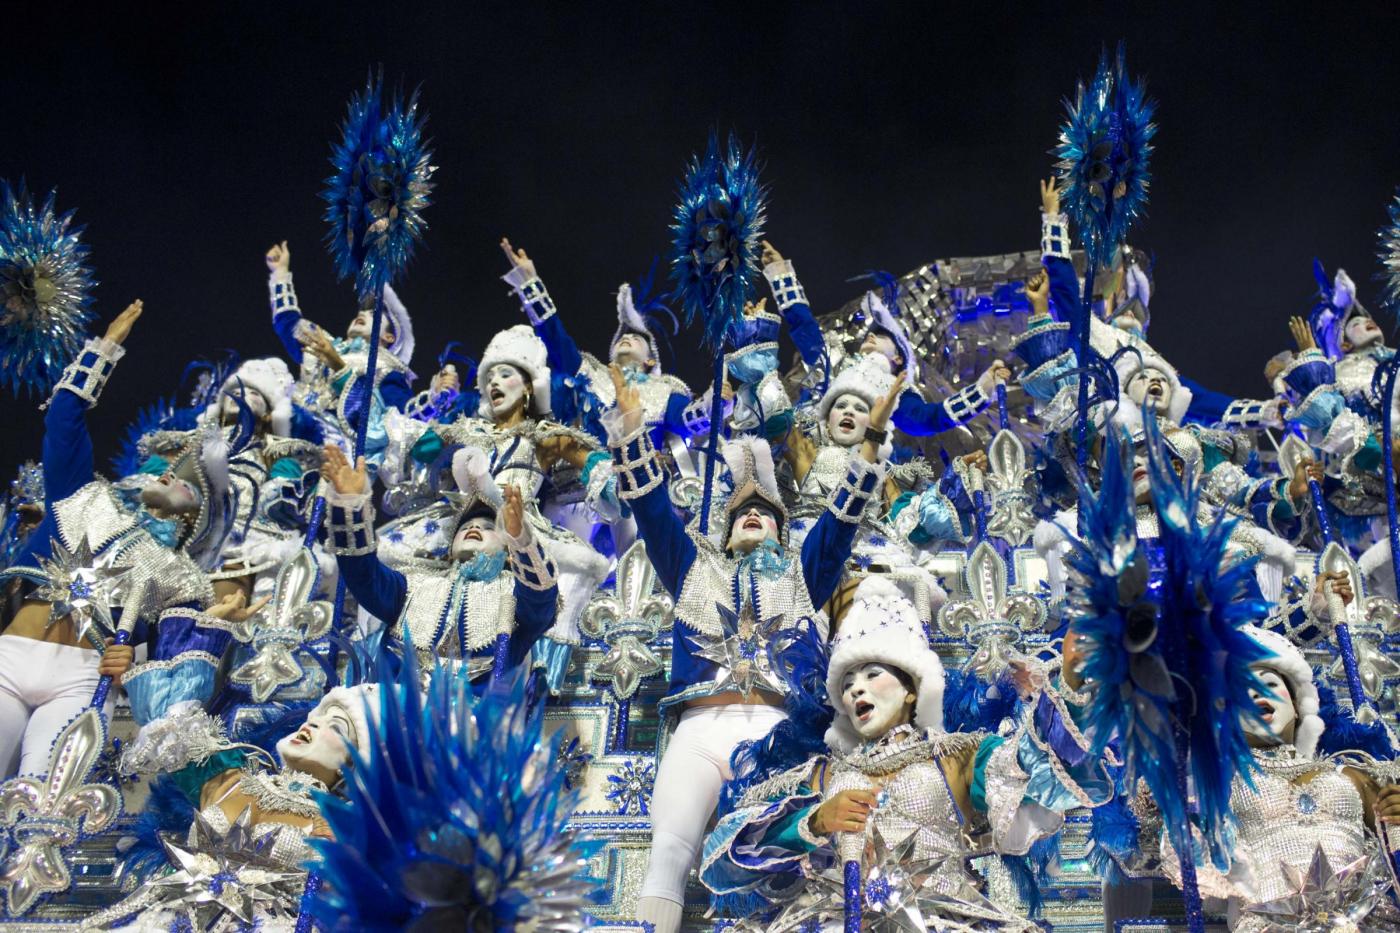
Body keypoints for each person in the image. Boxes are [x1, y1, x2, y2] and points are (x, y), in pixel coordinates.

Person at [605, 361, 897, 932]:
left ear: (782, 534)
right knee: (668, 853)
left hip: (776, 731)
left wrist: (872, 441)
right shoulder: (691, 569)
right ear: (725, 531)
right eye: (744, 514)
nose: (755, 516)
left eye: (765, 513)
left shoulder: (802, 576)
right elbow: (653, 512)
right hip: (698, 731)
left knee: (783, 863)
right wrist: (633, 428)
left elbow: (841, 521)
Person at [700, 577, 1111, 929]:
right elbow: (719, 862)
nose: (856, 690)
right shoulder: (820, 776)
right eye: (847, 684)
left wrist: (1072, 686)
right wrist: (813, 822)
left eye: (872, 674)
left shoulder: (957, 757)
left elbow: (1044, 774)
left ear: (911, 689)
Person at [0, 302, 260, 777]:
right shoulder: (83, 497)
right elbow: (63, 420)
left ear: (201, 514)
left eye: (189, 480)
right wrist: (104, 350)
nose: (168, 474)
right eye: (165, 468)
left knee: (43, 800)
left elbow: (169, 678)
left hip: (82, 683)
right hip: (11, 658)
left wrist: (209, 625)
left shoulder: (183, 579)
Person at [321, 443, 558, 680]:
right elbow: (363, 575)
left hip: (476, 704)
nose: (474, 528)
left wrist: (522, 540)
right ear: (449, 550)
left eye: (488, 527)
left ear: (508, 552)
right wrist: (349, 505)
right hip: (397, 700)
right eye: (465, 527)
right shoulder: (413, 586)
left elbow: (540, 601)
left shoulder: (513, 594)